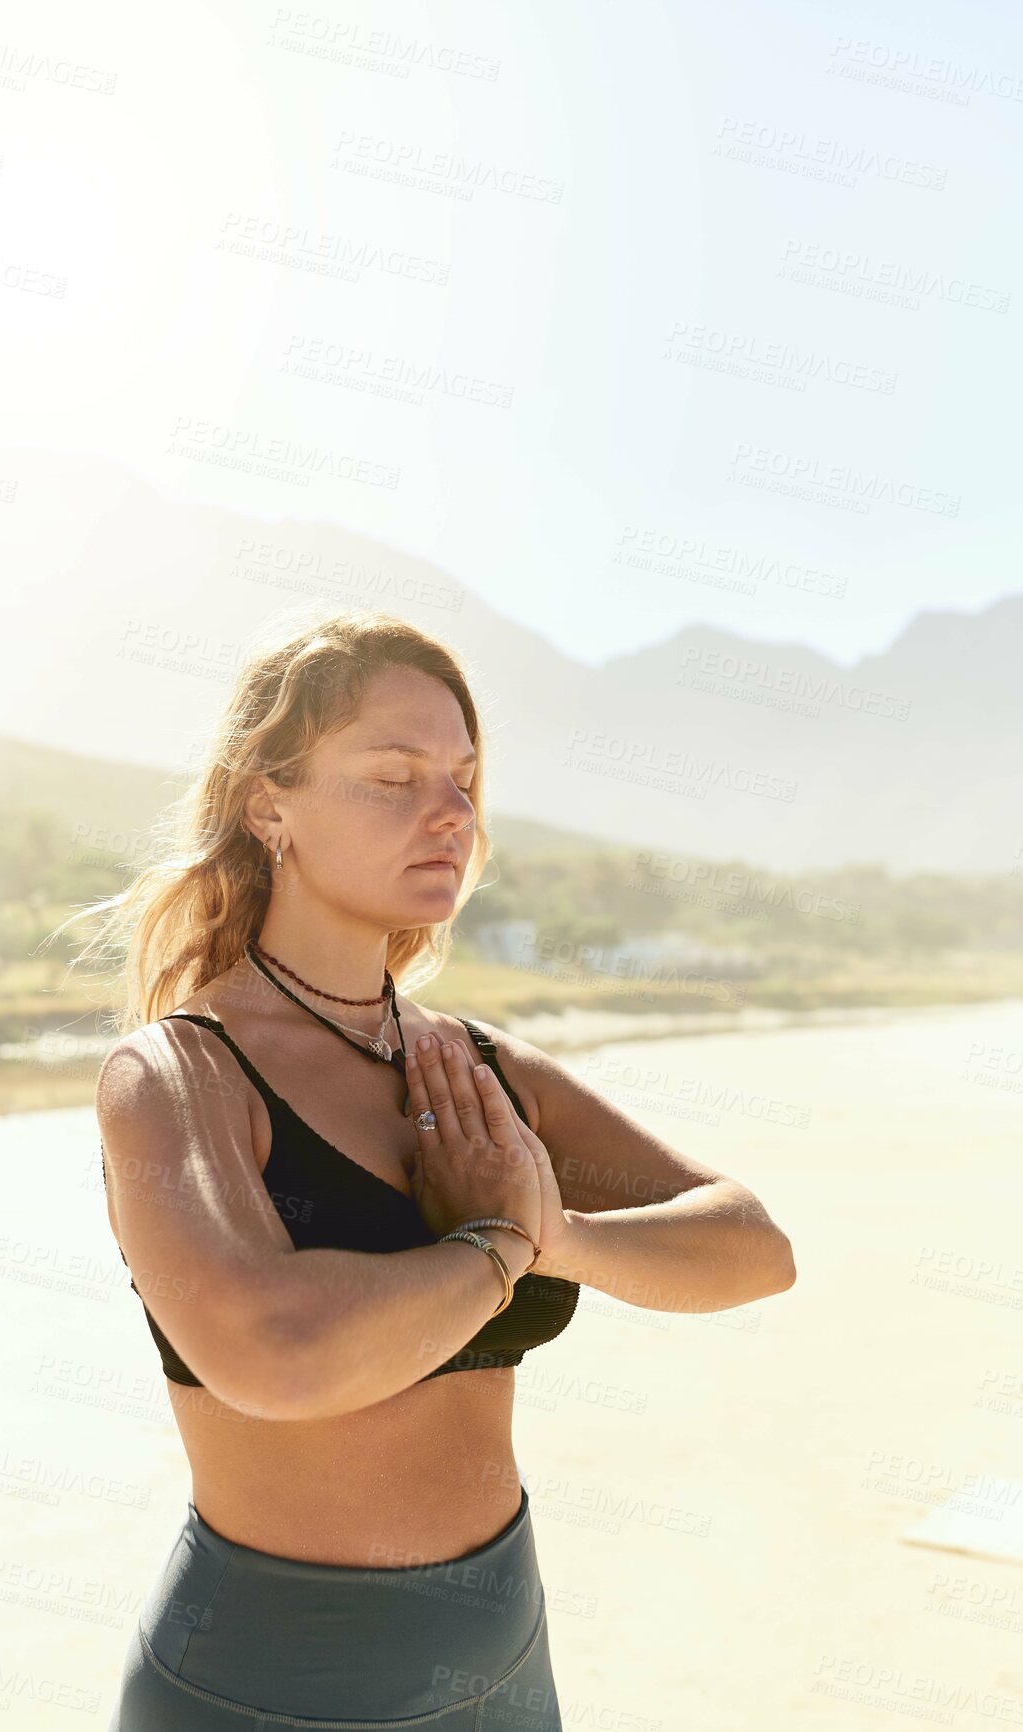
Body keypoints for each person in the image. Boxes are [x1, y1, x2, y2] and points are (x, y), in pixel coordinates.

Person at [62, 606, 795, 1728]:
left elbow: (753, 1246)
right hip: (266, 1682)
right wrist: (495, 1245)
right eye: (394, 775)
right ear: (270, 804)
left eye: (461, 777)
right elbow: (277, 1356)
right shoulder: (175, 1077)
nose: (449, 810)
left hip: (507, 1663)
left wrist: (559, 1234)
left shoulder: (480, 1067)